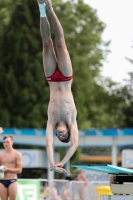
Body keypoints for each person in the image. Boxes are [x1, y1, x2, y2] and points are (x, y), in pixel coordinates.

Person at [37, 0, 78, 173]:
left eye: (59, 136)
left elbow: (48, 143)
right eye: (64, 136)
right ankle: (51, 8)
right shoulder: (72, 120)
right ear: (68, 131)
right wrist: (63, 161)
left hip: (52, 78)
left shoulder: (51, 121)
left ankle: (41, 9)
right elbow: (75, 145)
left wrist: (54, 164)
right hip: (66, 77)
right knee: (60, 42)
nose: (60, 135)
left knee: (47, 43)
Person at [0, 135, 22, 200]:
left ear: (12, 142)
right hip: (1, 180)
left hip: (12, 180)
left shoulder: (17, 154)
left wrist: (7, 170)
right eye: (4, 142)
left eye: (7, 142)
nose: (6, 144)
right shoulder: (0, 154)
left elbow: (19, 170)